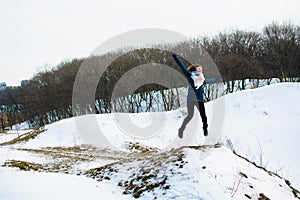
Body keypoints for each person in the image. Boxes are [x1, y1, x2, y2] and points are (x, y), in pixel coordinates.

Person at [172, 54, 208, 138]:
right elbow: (182, 67)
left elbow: (208, 81)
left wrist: (216, 79)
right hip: (191, 100)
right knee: (190, 116)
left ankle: (205, 130)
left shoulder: (201, 79)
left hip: (200, 100)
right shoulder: (190, 75)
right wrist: (176, 58)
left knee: (203, 116)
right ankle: (181, 129)